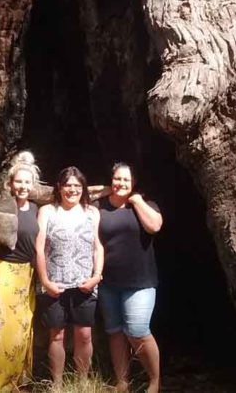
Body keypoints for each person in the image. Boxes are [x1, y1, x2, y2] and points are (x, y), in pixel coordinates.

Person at [97, 163, 163, 393]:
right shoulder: (100, 207)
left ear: (133, 183)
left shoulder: (146, 204)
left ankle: (155, 380)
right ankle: (122, 381)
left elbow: (154, 226)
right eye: (116, 179)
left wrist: (136, 201)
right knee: (115, 332)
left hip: (140, 283)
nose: (121, 183)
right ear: (110, 181)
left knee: (137, 330)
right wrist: (105, 190)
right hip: (108, 282)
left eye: (126, 180)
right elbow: (81, 192)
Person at [35, 166, 104, 385]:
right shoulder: (47, 211)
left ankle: (82, 382)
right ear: (59, 187)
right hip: (55, 284)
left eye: (77, 185)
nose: (72, 190)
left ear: (83, 188)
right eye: (67, 185)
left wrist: (96, 276)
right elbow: (39, 249)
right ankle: (57, 384)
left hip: (84, 284)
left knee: (84, 335)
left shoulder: (92, 213)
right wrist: (45, 281)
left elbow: (97, 247)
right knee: (56, 335)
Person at [0, 151, 42, 391]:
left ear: (33, 184)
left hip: (27, 278)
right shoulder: (3, 209)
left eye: (27, 182)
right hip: (7, 275)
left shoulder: (37, 209)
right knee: (6, 335)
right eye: (19, 181)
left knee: (25, 331)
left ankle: (18, 384)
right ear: (11, 183)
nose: (23, 186)